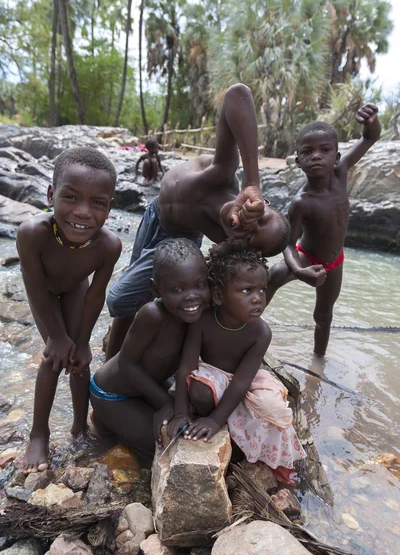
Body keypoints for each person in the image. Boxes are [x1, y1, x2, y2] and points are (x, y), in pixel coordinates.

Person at [106, 84, 290, 361]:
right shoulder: (224, 175)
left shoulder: (225, 235)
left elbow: (236, 287)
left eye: (251, 238)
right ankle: (111, 364)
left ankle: (156, 355)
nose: (251, 226)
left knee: (120, 299)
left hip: (175, 240)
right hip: (153, 214)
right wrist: (253, 182)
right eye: (262, 220)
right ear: (266, 205)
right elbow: (236, 94)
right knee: (127, 308)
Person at [16, 147, 122, 472]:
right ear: (51, 195)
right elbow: (35, 288)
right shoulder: (32, 234)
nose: (83, 212)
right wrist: (58, 336)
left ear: (110, 207)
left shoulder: (108, 246)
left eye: (97, 203)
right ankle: (39, 434)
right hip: (44, 296)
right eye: (71, 198)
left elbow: (94, 295)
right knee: (55, 355)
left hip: (75, 291)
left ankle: (79, 426)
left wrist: (84, 340)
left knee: (78, 357)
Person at [168, 243, 306, 485]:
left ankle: (266, 457)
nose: (258, 298)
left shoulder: (260, 332)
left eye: (262, 290)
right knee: (199, 390)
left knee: (275, 410)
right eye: (246, 291)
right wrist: (180, 413)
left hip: (247, 382)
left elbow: (242, 380)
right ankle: (222, 428)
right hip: (215, 376)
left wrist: (215, 420)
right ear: (219, 295)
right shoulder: (202, 321)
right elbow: (186, 367)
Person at [265, 104, 381, 357]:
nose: (316, 156)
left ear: (337, 157)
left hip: (335, 262)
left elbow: (370, 137)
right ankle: (242, 327)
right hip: (307, 256)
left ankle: (318, 363)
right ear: (298, 162)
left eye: (325, 150)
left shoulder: (341, 174)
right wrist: (298, 269)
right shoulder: (301, 202)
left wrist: (371, 122)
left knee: (324, 315)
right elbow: (287, 243)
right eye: (307, 152)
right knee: (274, 274)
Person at [89, 238, 210, 459]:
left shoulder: (199, 314)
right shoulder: (152, 315)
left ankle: (113, 421)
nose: (192, 295)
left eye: (200, 285)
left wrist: (174, 405)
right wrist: (165, 402)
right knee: (158, 444)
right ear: (155, 289)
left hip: (146, 385)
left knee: (186, 420)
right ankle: (103, 419)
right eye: (177, 289)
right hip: (112, 393)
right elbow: (127, 363)